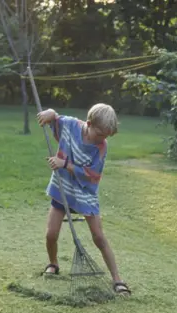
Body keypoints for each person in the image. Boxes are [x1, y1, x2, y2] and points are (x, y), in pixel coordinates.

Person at [36, 103, 131, 295]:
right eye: (100, 134)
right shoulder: (71, 126)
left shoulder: (101, 147)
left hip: (85, 193)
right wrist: (50, 113)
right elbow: (55, 118)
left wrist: (65, 164)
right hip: (62, 187)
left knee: (99, 237)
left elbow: (93, 175)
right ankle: (53, 264)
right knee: (51, 234)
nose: (102, 139)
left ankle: (118, 280)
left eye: (106, 135)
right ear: (88, 124)